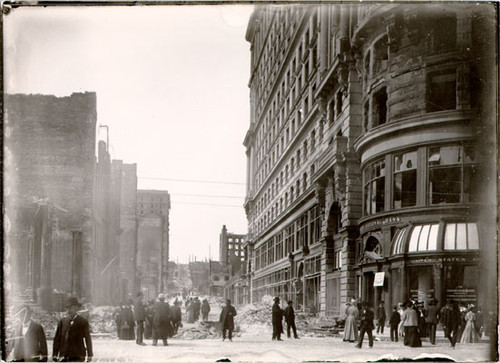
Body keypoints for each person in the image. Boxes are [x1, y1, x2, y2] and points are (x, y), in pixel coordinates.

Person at [52, 296, 93, 362]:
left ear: (76, 308)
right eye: (67, 308)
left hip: (78, 355)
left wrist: (90, 355)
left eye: (71, 308)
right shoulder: (62, 321)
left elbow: (88, 339)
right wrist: (55, 354)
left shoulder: (83, 322)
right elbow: (57, 339)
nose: (69, 310)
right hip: (64, 355)